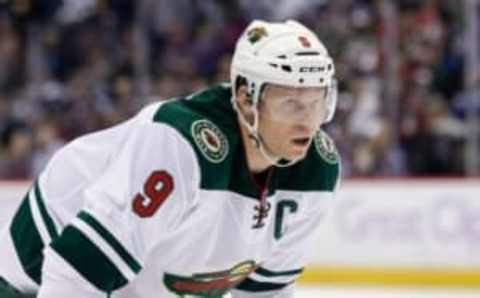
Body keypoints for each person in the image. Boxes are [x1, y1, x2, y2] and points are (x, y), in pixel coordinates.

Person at [0, 19, 340, 298]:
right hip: (32, 279)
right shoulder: (180, 142)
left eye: (316, 103)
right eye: (291, 104)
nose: (308, 122)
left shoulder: (317, 170)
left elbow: (267, 293)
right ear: (246, 99)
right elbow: (76, 272)